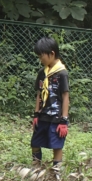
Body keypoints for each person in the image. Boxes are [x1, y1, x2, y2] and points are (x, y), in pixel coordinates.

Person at [31, 37, 70, 167]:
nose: (40, 59)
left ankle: (56, 174)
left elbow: (65, 96)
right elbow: (39, 93)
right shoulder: (42, 73)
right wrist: (36, 114)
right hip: (43, 115)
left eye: (41, 56)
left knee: (57, 146)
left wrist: (64, 120)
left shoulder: (62, 73)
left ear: (52, 53)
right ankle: (36, 169)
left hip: (57, 117)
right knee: (35, 142)